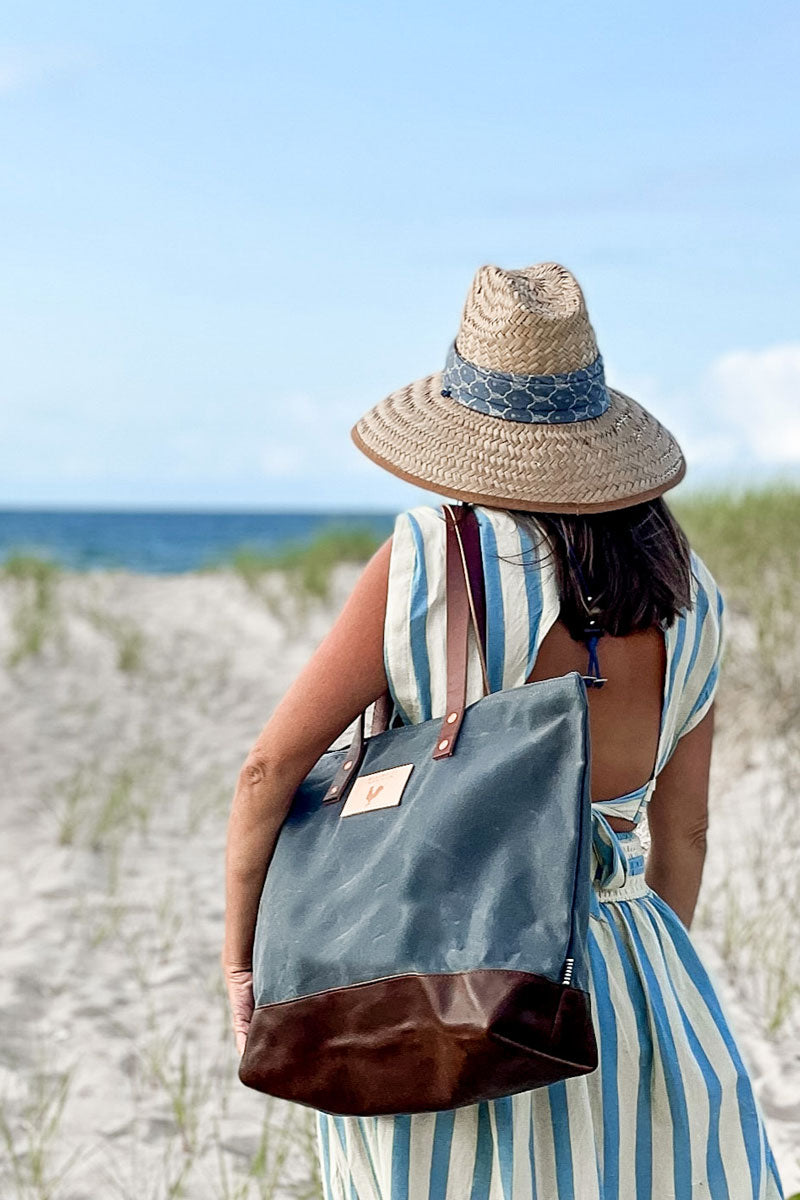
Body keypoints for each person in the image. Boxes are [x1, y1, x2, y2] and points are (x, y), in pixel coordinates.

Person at [222, 262, 785, 1198]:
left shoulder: (433, 558)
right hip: (632, 969)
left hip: (448, 968)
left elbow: (268, 770)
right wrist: (624, 982)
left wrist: (240, 960)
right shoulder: (693, 593)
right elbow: (683, 831)